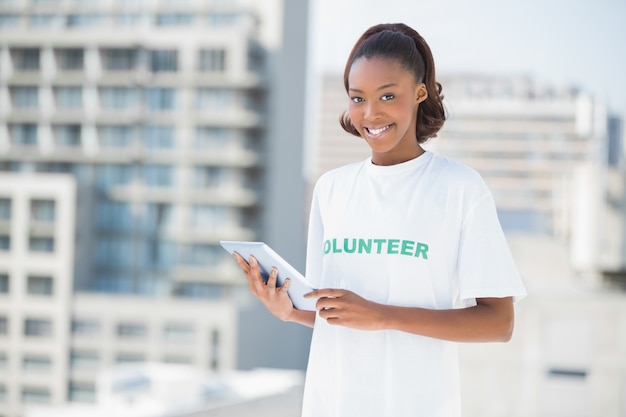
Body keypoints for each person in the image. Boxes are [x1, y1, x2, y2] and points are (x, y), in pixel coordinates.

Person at [233, 22, 527, 417]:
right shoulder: (331, 189)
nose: (370, 114)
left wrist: (384, 315)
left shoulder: (460, 188)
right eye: (358, 98)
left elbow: (498, 323)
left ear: (420, 92)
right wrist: (290, 311)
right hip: (331, 404)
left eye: (388, 95)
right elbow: (334, 315)